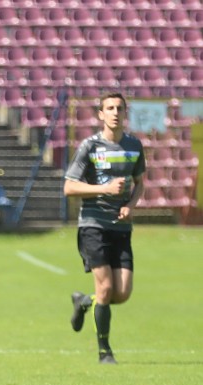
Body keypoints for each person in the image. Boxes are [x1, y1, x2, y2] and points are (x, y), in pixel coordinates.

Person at [65, 91, 146, 364]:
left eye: (119, 108)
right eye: (109, 108)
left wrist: (130, 205)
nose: (114, 112)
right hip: (93, 225)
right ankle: (104, 351)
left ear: (125, 113)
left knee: (121, 294)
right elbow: (69, 187)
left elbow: (140, 183)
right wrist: (104, 188)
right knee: (106, 287)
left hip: (121, 228)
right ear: (100, 114)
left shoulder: (134, 146)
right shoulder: (89, 146)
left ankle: (84, 301)